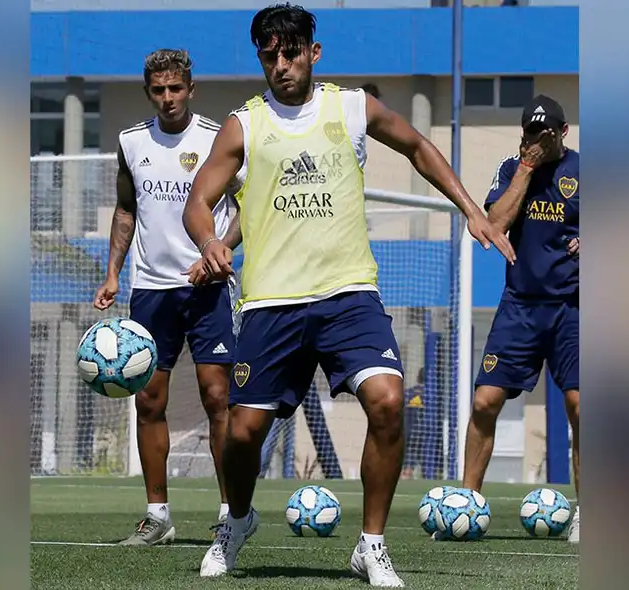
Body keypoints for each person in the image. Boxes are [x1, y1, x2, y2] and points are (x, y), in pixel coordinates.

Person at [182, 4, 515, 585]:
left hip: (348, 295)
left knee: (387, 401)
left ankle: (371, 544)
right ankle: (236, 520)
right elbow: (196, 200)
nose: (281, 64)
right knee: (241, 433)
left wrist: (471, 209)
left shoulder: (351, 106)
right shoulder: (244, 125)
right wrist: (209, 240)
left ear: (314, 52)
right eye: (270, 54)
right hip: (270, 303)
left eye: (292, 52)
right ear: (261, 57)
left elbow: (416, 146)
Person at [93, 48, 242, 546]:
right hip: (151, 291)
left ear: (190, 89)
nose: (168, 98)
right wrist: (114, 273)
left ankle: (231, 514)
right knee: (148, 401)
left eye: (176, 88)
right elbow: (125, 209)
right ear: (148, 93)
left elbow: (250, 206)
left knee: (217, 397)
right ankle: (157, 516)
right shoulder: (130, 142)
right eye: (158, 90)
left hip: (208, 287)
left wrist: (219, 249)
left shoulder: (217, 139)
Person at [462, 94, 580, 544]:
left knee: (581, 406)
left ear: (562, 133)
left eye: (544, 134)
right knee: (485, 401)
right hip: (520, 306)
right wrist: (528, 168)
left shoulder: (583, 171)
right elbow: (494, 223)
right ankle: (467, 504)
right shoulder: (512, 169)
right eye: (528, 133)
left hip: (574, 306)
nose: (534, 141)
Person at [401, 368, 425, 480]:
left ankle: (406, 473)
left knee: (409, 452)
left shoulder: (407, 393)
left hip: (407, 428)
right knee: (421, 455)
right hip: (423, 431)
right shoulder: (431, 395)